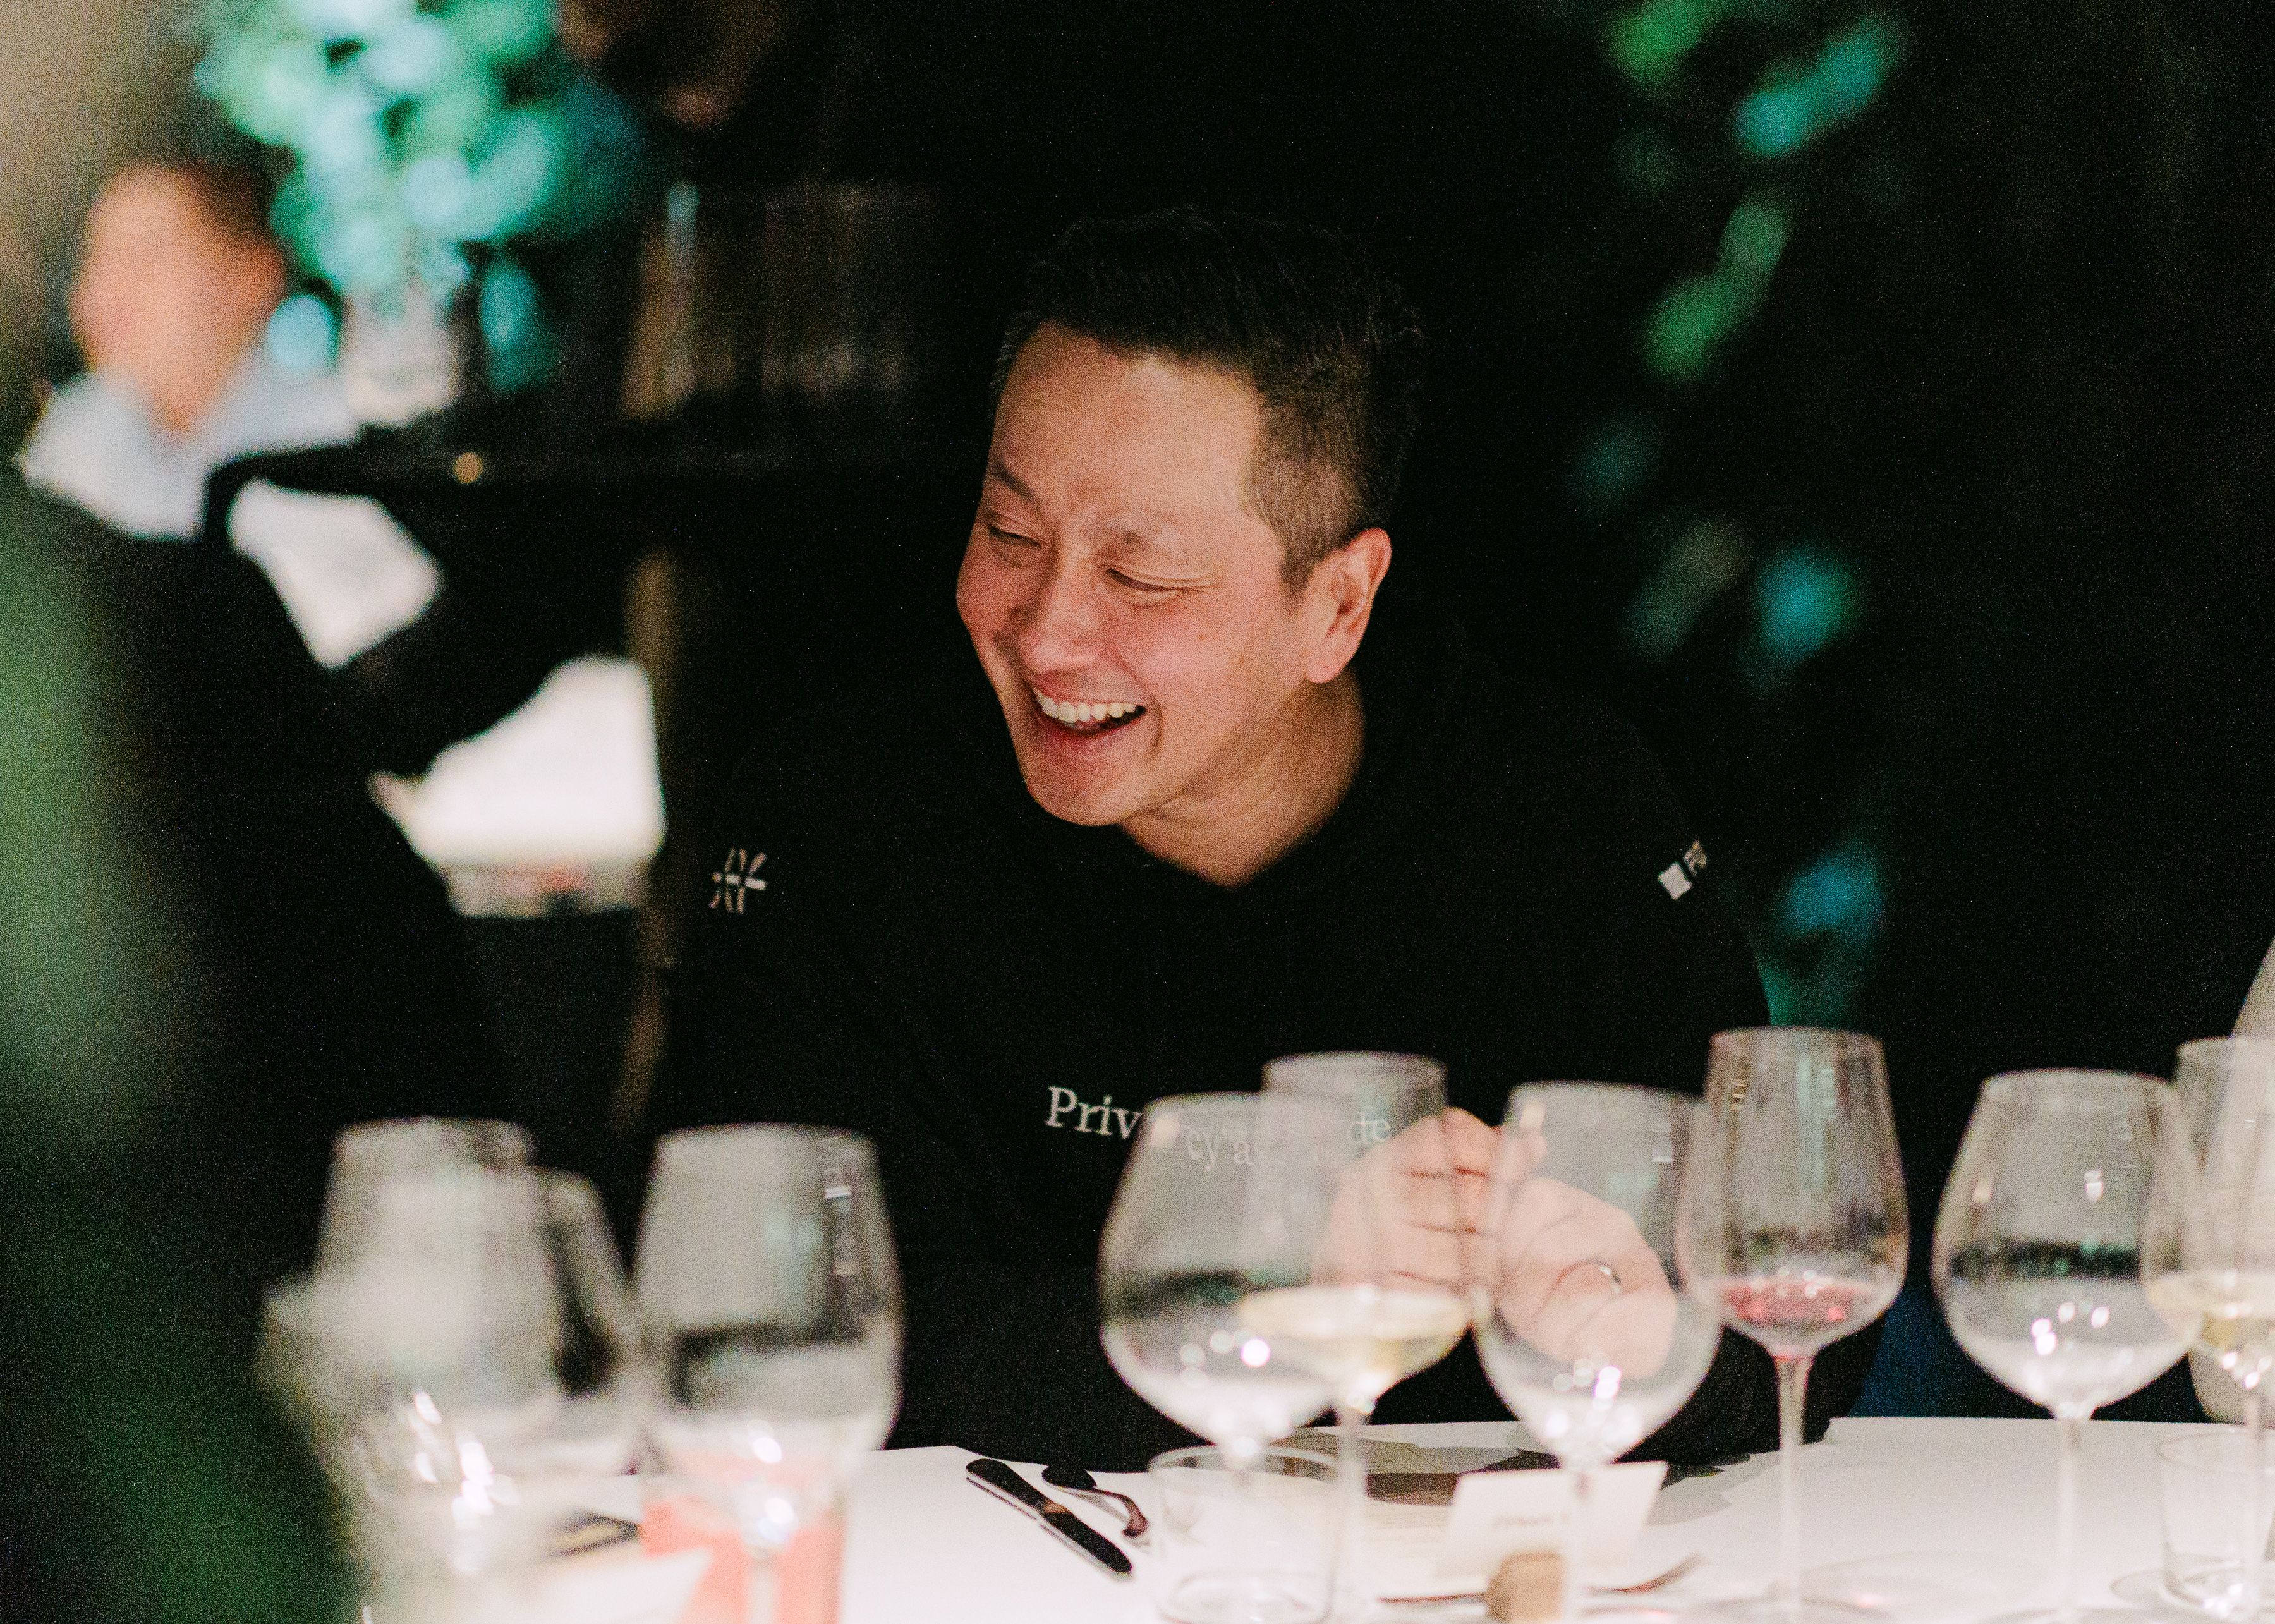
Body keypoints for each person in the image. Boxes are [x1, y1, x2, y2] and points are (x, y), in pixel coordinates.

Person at [657, 207, 1874, 1467]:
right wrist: (1279, 1302)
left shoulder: (1562, 818)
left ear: (1337, 606)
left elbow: (1799, 1325)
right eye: (1010, 535)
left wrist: (1637, 1337)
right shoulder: (844, 821)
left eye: (1144, 577)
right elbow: (757, 1331)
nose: (1046, 631)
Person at [18, 161, 355, 538]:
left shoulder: (333, 444)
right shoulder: (69, 437)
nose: (103, 292)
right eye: (96, 259)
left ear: (253, 276)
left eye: (148, 258)